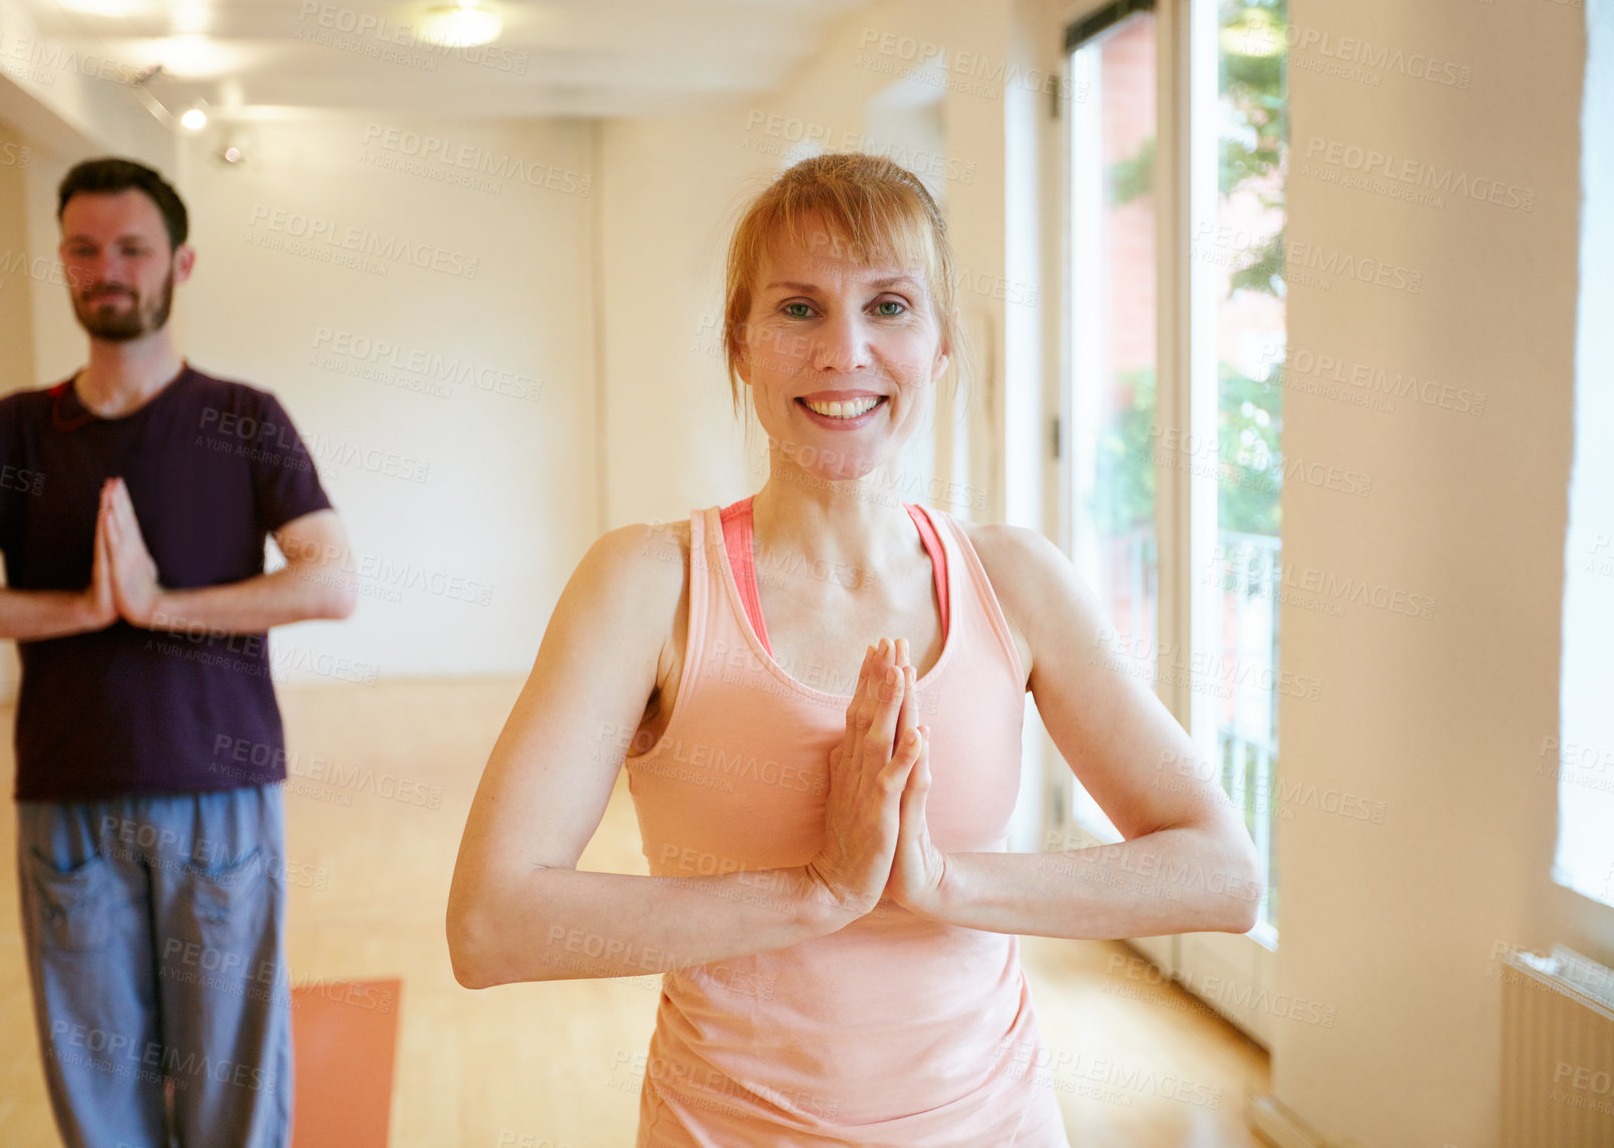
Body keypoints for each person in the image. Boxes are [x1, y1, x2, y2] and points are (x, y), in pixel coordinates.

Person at [445, 153, 1263, 1146]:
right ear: (739, 343)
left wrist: (940, 882)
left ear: (941, 340)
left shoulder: (1014, 580)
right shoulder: (647, 584)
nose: (844, 351)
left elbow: (1221, 870)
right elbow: (491, 924)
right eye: (798, 309)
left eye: (888, 306)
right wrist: (819, 891)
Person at [0, 157, 357, 1148]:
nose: (107, 267)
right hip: (68, 795)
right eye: (84, 247)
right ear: (62, 261)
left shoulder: (244, 415)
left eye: (132, 247)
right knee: (98, 1079)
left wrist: (161, 605)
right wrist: (83, 608)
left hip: (219, 790)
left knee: (233, 1071)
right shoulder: (15, 427)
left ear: (179, 262)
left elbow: (330, 579)